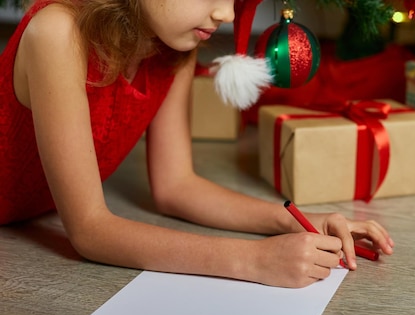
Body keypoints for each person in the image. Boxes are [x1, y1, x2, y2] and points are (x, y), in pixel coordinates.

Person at [0, 0, 394, 288]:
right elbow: (89, 231)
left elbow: (176, 188)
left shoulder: (173, 48)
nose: (227, 14)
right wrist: (253, 260)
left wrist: (295, 222)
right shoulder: (56, 31)